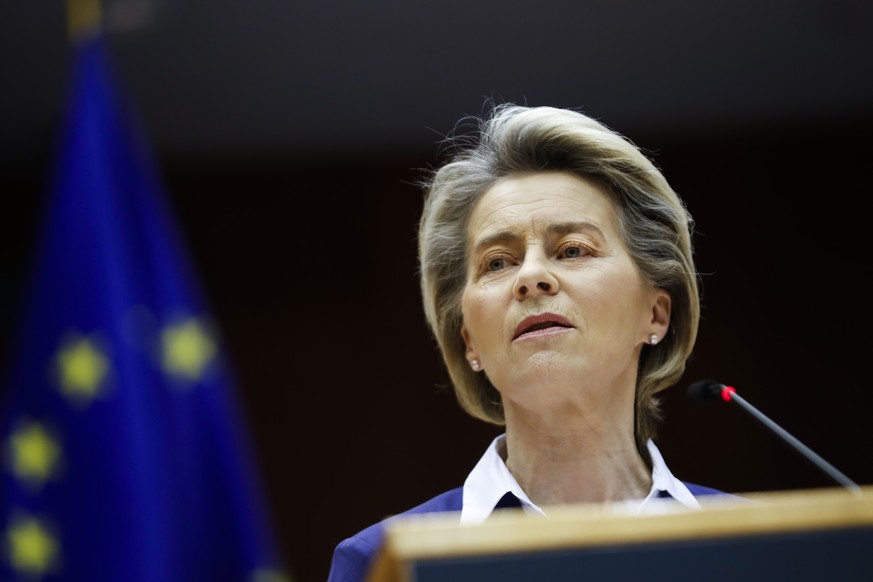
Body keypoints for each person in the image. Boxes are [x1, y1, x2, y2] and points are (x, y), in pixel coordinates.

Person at [327, 102, 732, 582]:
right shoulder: (381, 563)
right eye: (497, 262)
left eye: (573, 250)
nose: (532, 277)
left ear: (656, 313)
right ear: (469, 342)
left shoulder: (757, 546)